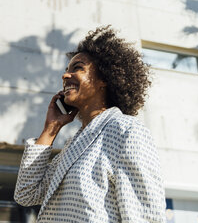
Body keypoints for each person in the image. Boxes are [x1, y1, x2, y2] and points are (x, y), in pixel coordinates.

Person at [14, 26, 166, 222]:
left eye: (77, 68)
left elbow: (146, 216)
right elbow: (26, 194)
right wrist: (51, 129)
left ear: (104, 78)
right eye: (66, 70)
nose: (65, 76)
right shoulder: (74, 144)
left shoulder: (127, 131)